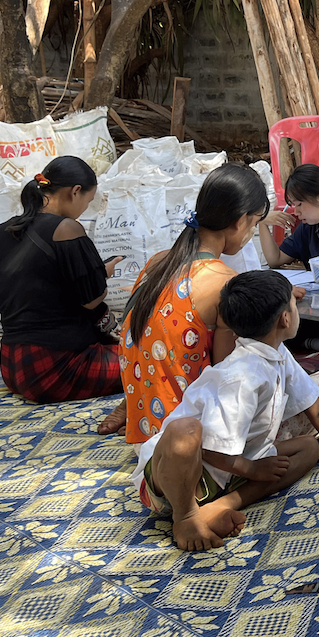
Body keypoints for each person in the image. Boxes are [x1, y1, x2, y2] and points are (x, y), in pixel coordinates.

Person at [131, 270, 319, 551]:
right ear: (285, 318)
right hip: (178, 477)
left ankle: (219, 506)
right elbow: (211, 449)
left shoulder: (276, 352)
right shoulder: (241, 376)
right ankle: (186, 517)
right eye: (293, 304)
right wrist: (253, 469)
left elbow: (309, 401)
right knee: (185, 431)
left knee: (308, 448)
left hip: (230, 471)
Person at [103, 164, 270, 441]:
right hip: (186, 443)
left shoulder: (157, 262)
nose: (250, 232)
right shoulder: (223, 282)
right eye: (253, 224)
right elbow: (227, 373)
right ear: (239, 221)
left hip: (146, 433)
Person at [0, 156, 124, 403]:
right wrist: (102, 274)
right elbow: (92, 300)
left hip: (12, 367)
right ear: (75, 192)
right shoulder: (66, 229)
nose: (84, 210)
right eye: (88, 201)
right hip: (55, 367)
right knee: (152, 361)